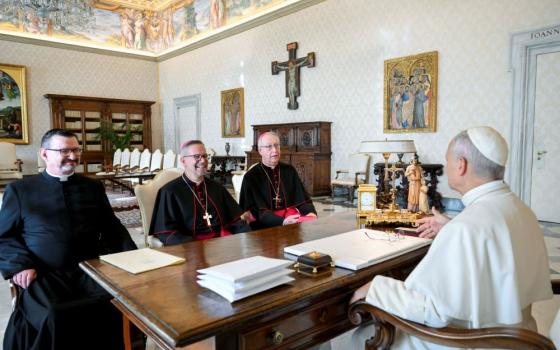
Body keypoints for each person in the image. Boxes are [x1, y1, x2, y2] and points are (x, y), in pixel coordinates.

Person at [350, 126, 552, 349]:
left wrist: (375, 288)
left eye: (448, 161)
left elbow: (435, 311)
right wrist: (452, 226)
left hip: (477, 341)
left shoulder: (466, 228)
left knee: (363, 336)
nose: (447, 167)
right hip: (517, 335)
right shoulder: (520, 209)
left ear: (461, 164)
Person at [0, 128, 137, 350]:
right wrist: (19, 265)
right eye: (64, 151)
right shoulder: (20, 190)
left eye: (76, 150)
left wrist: (133, 257)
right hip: (44, 273)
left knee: (115, 303)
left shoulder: (92, 187)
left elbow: (112, 227)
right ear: (45, 154)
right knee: (55, 312)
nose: (73, 156)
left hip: (91, 269)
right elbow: (4, 236)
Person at [150, 140, 250, 246]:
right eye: (197, 156)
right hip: (192, 249)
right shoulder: (169, 192)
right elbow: (167, 233)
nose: (203, 161)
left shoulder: (217, 188)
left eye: (205, 156)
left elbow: (235, 221)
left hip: (223, 244)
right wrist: (197, 247)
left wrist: (249, 237)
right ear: (183, 161)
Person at [240, 132, 317, 229]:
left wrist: (311, 213)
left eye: (277, 145)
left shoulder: (289, 170)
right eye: (269, 147)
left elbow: (303, 200)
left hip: (291, 221)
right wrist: (282, 221)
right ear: (260, 150)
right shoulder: (251, 176)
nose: (275, 150)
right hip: (263, 228)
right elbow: (256, 212)